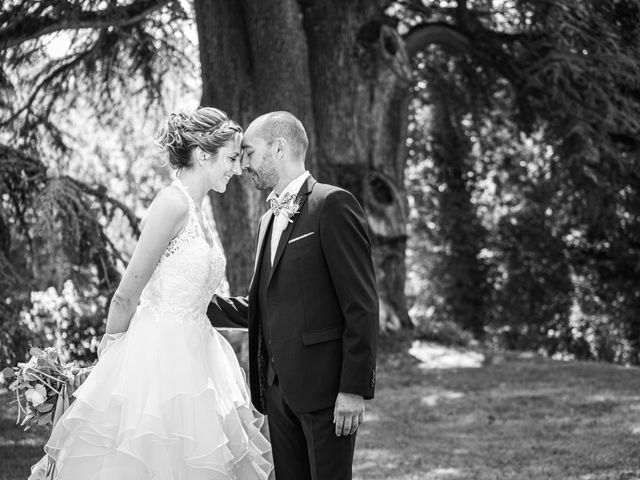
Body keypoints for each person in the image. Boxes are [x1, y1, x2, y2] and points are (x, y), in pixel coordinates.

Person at [28, 108, 273, 480]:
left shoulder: (199, 212)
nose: (238, 169)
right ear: (203, 154)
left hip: (201, 355)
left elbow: (201, 300)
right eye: (232, 158)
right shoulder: (172, 204)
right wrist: (111, 357)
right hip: (158, 359)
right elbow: (126, 295)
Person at [208, 111, 379, 480]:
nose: (243, 165)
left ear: (279, 148)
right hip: (277, 392)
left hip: (325, 391)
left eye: (250, 153)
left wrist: (352, 389)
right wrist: (198, 307)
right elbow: (266, 304)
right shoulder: (267, 220)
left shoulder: (332, 204)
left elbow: (361, 304)